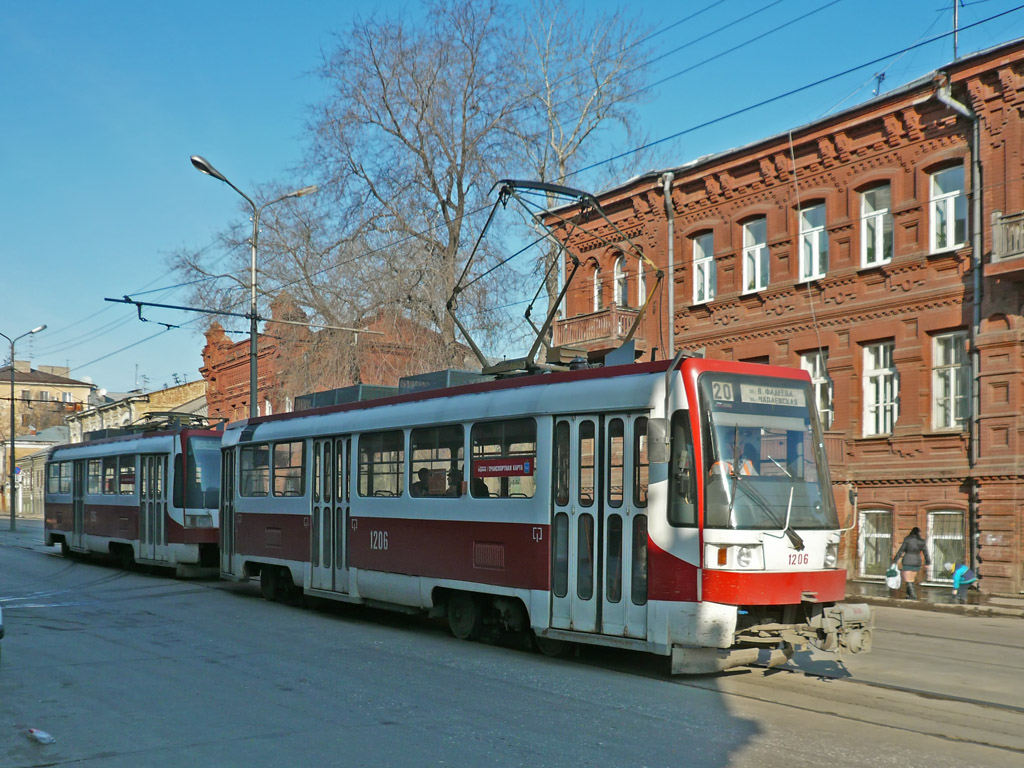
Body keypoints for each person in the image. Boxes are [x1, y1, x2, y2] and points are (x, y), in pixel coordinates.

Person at [893, 526, 930, 600]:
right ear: (918, 533)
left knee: (908, 579)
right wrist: (927, 563)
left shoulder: (907, 539)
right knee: (911, 579)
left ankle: (913, 596)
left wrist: (895, 560)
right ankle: (908, 595)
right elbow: (926, 552)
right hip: (917, 561)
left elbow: (901, 550)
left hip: (907, 561)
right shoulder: (922, 541)